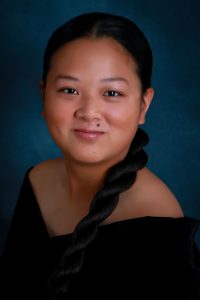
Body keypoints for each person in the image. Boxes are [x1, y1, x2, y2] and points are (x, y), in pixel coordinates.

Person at [1, 11, 200, 300]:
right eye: (69, 90)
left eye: (112, 93)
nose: (88, 112)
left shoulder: (160, 227)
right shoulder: (37, 180)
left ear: (144, 105)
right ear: (43, 94)